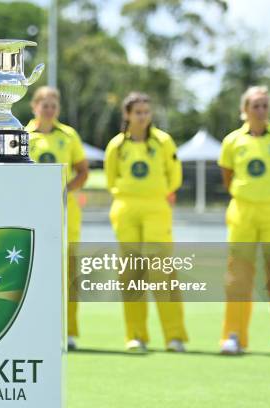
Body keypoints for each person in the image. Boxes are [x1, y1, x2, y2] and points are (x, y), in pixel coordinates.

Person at [218, 85, 270, 356]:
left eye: (265, 105)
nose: (261, 110)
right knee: (238, 275)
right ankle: (234, 335)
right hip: (242, 212)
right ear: (245, 110)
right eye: (256, 105)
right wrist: (249, 196)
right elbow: (228, 178)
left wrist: (269, 196)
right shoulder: (232, 141)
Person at [104, 92, 187, 353]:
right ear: (127, 115)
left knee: (162, 271)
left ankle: (174, 337)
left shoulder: (164, 142)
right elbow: (110, 178)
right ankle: (136, 335)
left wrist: (155, 193)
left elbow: (175, 177)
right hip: (126, 208)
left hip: (156, 207)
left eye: (146, 112)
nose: (143, 116)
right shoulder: (117, 146)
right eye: (137, 112)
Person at [25, 86, 89, 351]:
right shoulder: (23, 135)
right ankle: (33, 328)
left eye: (53, 105)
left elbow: (82, 171)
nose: (49, 109)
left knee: (68, 271)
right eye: (44, 105)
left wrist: (64, 190)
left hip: (65, 211)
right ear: (34, 107)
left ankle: (69, 331)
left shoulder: (68, 135)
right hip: (31, 210)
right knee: (33, 268)